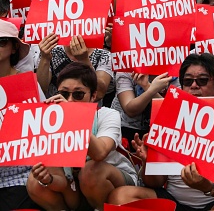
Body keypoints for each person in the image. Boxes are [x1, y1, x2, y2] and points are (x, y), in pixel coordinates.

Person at [108, 54, 214, 211]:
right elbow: (156, 182)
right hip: (172, 201)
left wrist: (208, 187)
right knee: (120, 197)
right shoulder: (168, 116)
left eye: (202, 80)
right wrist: (148, 162)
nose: (194, 86)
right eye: (187, 81)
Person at [27, 62, 138, 211]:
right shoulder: (52, 123)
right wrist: (49, 180)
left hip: (113, 181)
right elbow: (60, 179)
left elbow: (99, 153)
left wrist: (72, 118)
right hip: (74, 187)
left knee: (91, 170)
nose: (70, 100)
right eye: (64, 94)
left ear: (93, 96)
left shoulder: (107, 114)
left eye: (78, 94)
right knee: (35, 183)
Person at [0, 20, 42, 210]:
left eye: (1, 42)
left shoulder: (27, 84)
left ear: (14, 46)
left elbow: (41, 128)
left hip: (19, 175)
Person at [36, 33, 114, 102]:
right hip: (56, 111)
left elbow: (98, 94)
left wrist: (84, 60)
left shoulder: (104, 55)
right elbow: (41, 90)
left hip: (88, 113)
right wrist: (45, 58)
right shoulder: (50, 51)